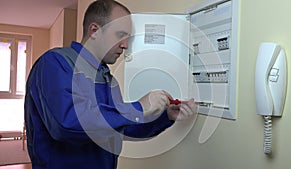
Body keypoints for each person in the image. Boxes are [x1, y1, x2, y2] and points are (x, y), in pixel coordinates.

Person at [24, 0, 197, 169]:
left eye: (128, 38)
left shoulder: (108, 79)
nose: (125, 45)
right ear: (94, 30)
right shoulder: (55, 63)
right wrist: (138, 107)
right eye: (120, 35)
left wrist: (165, 117)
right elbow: (67, 124)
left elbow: (123, 127)